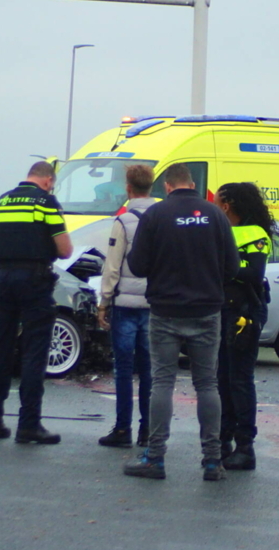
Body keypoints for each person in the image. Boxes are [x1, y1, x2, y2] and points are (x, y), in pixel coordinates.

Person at [124, 163, 239, 481]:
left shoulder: (156, 216)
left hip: (165, 311)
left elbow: (137, 265)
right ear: (192, 184)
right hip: (206, 310)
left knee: (162, 382)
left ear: (168, 187)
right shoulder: (214, 215)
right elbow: (233, 266)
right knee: (207, 383)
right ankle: (213, 461)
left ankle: (155, 458)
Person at [0, 161, 73, 444]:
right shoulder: (46, 202)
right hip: (34, 282)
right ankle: (29, 425)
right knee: (34, 352)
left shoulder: (1, 201)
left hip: (4, 279)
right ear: (47, 180)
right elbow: (65, 249)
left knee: (0, 350)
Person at [215, 182, 276, 471]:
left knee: (239, 379)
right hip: (220, 310)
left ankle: (245, 447)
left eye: (217, 200)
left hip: (245, 313)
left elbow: (254, 273)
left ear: (227, 204)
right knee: (222, 379)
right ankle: (222, 440)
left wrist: (225, 268)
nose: (213, 204)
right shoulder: (217, 229)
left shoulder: (256, 234)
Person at [97, 164, 157, 449]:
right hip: (154, 304)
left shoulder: (123, 222)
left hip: (125, 304)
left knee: (123, 369)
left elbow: (112, 266)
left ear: (128, 188)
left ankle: (123, 430)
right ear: (152, 186)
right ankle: (147, 430)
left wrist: (103, 302)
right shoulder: (162, 218)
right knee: (150, 370)